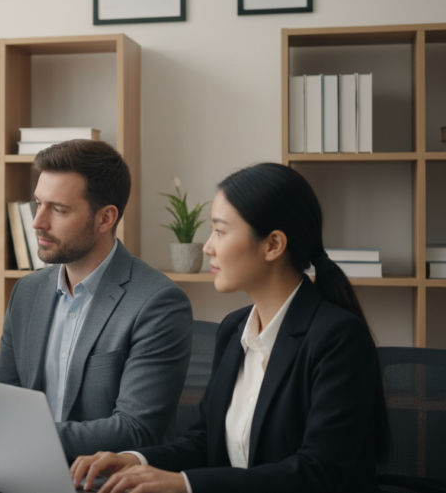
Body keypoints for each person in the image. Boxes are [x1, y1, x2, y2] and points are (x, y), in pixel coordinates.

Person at [70, 162, 390, 493]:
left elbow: (317, 472)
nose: (208, 246)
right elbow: (206, 440)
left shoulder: (338, 339)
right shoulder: (235, 328)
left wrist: (184, 484)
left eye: (220, 231)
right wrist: (135, 459)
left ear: (273, 245)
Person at [0, 139, 193, 460]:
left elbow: (136, 429)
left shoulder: (157, 303)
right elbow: (5, 394)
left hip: (106, 481)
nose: (37, 222)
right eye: (38, 204)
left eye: (58, 209)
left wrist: (9, 438)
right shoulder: (28, 291)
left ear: (105, 218)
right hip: (22, 472)